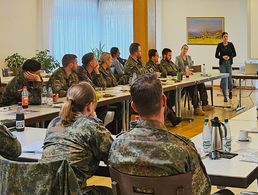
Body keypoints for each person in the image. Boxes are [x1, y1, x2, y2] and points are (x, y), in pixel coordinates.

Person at [109, 74, 211, 195]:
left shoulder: (117, 146)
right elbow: (203, 190)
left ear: (133, 107)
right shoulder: (183, 149)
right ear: (163, 101)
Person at [41, 82, 113, 195]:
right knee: (110, 191)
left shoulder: (54, 122)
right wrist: (95, 120)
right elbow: (112, 156)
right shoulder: (90, 125)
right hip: (72, 191)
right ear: (89, 106)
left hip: (46, 190)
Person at [176, 44, 214, 115]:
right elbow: (176, 69)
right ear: (181, 49)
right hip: (183, 79)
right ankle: (196, 108)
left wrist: (191, 71)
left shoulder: (189, 57)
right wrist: (184, 72)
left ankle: (205, 104)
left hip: (190, 77)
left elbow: (191, 66)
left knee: (201, 84)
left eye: (186, 49)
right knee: (193, 86)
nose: (185, 50)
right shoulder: (177, 58)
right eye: (184, 49)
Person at [215, 32, 236, 102]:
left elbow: (235, 54)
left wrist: (229, 57)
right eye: (224, 36)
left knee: (230, 80)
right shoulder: (219, 45)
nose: (226, 38)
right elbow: (216, 55)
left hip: (229, 63)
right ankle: (225, 97)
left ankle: (230, 91)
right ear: (222, 37)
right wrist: (222, 57)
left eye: (227, 36)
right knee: (224, 80)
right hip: (222, 64)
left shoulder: (231, 44)